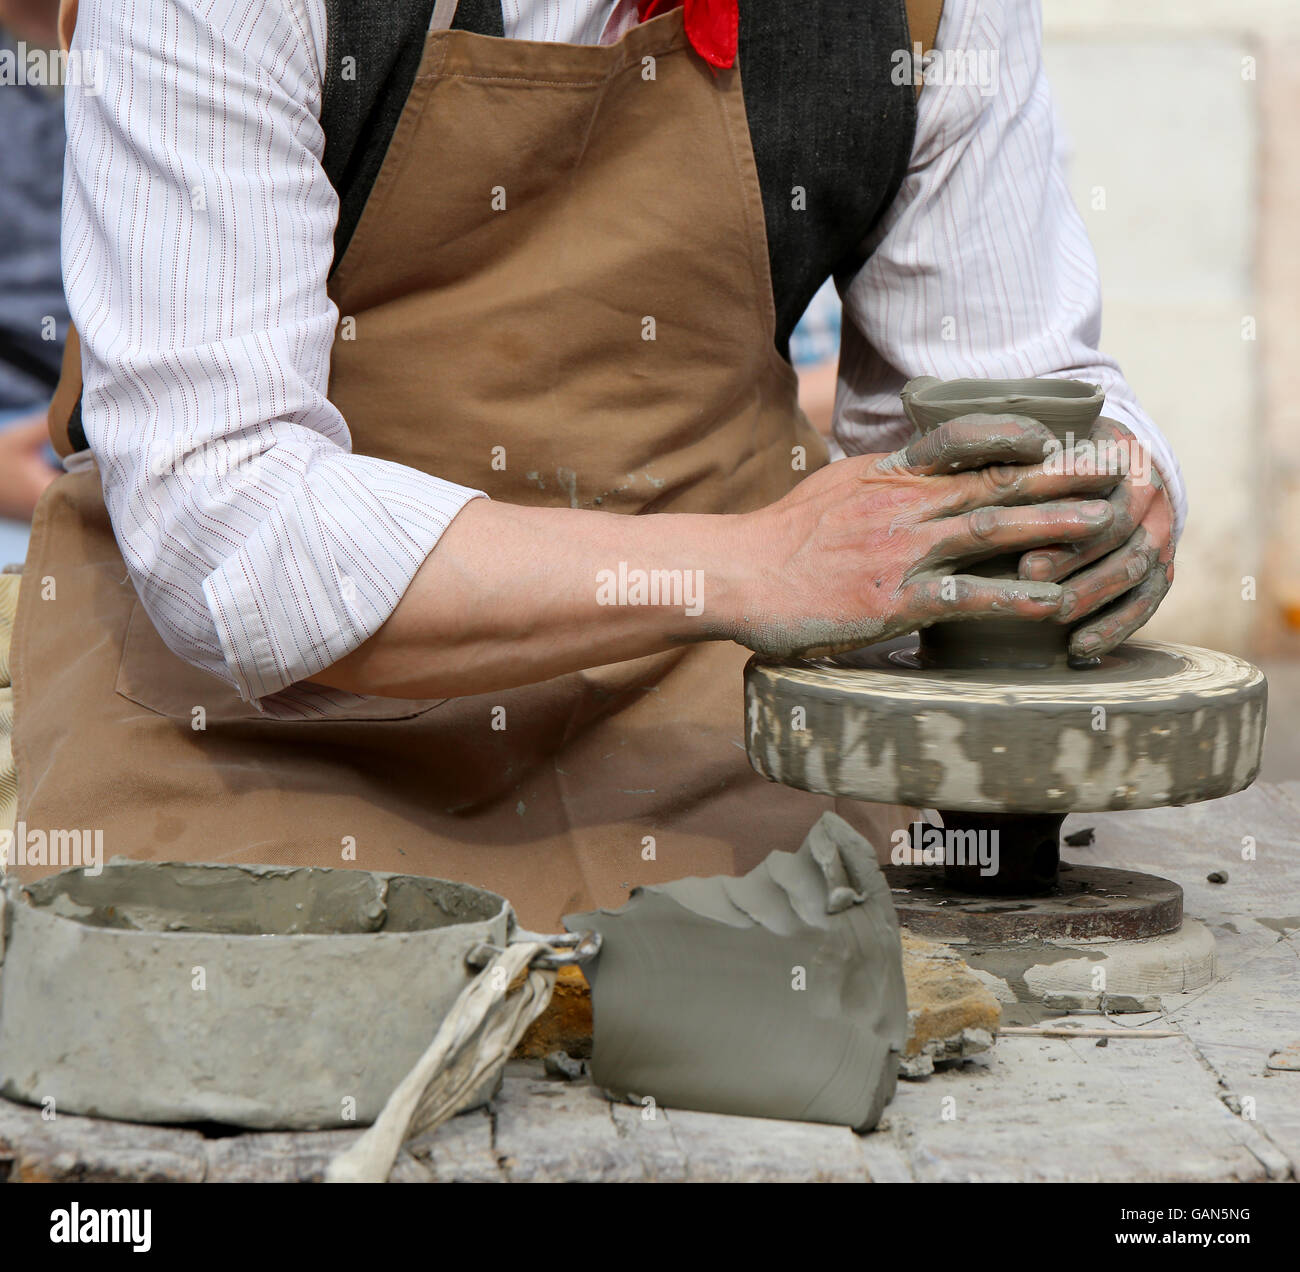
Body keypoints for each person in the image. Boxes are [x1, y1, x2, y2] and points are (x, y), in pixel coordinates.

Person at [11, 0, 1183, 928]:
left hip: (710, 744)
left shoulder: (926, 16)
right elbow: (228, 527)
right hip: (248, 749)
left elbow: (1010, 375)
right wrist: (750, 565)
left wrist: (1105, 487)